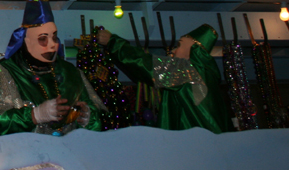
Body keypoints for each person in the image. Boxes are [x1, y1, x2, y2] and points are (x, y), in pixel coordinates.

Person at [0, 0, 103, 137]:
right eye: (43, 38)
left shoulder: (71, 72)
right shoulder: (2, 72)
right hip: (22, 155)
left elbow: (96, 121)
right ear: (26, 41)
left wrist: (87, 118)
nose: (51, 45)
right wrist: (34, 115)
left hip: (67, 154)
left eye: (54, 38)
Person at [97, 24, 231, 133]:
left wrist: (113, 42)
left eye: (179, 45)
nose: (172, 51)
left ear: (194, 50)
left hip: (197, 149)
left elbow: (145, 65)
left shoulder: (188, 72)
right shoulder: (206, 76)